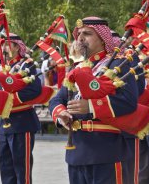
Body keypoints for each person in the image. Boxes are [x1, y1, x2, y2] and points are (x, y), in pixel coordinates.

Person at [49, 16, 138, 183]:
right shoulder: (76, 68)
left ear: (104, 40)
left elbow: (128, 101)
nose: (80, 38)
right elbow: (57, 100)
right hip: (76, 152)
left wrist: (90, 106)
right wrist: (61, 114)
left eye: (87, 34)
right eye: (79, 34)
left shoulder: (117, 64)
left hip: (106, 150)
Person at [0, 33, 42, 184]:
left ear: (17, 47)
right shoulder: (3, 67)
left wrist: (10, 100)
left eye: (7, 44)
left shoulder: (27, 64)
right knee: (6, 168)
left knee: (21, 169)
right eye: (2, 44)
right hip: (4, 123)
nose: (3, 48)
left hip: (22, 121)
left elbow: (34, 90)